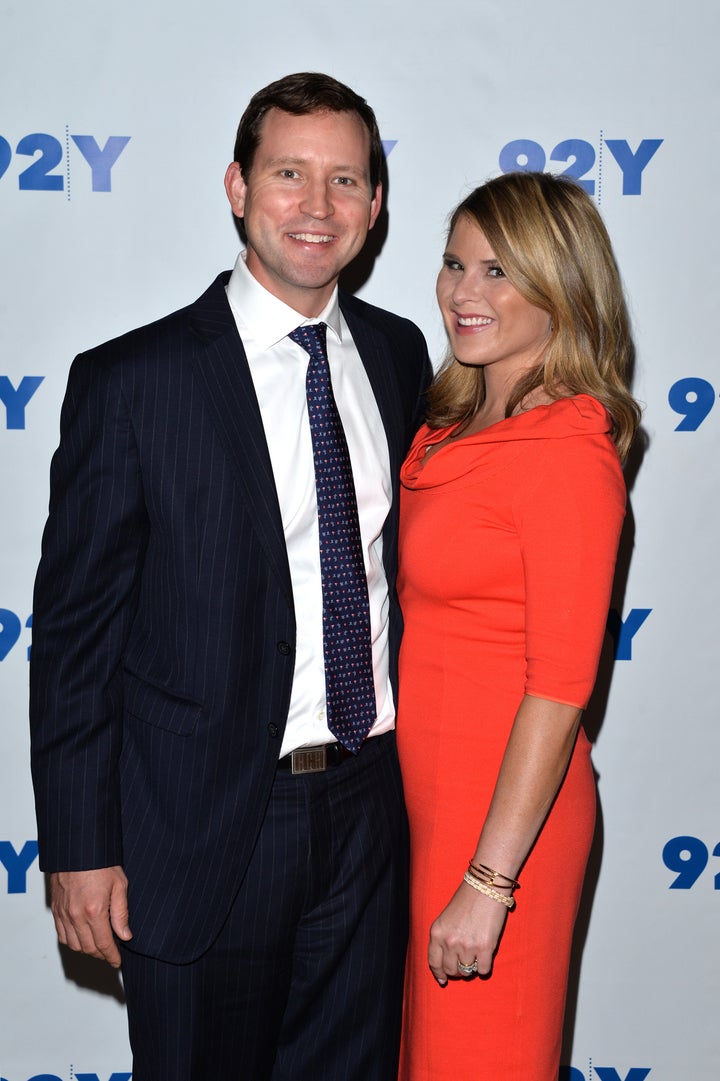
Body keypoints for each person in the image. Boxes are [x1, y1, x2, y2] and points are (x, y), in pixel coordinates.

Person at [29, 71, 432, 1081]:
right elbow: (74, 642)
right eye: (289, 173)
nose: (318, 205)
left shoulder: (397, 355)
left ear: (376, 207)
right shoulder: (133, 383)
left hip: (368, 809)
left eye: (346, 180)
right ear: (237, 188)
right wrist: (79, 846)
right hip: (200, 825)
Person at [396, 171, 641, 1081]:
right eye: (455, 263)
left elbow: (561, 686)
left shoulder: (568, 449)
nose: (465, 292)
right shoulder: (455, 420)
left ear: (563, 287)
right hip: (426, 805)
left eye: (500, 271)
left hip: (504, 822)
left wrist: (489, 884)